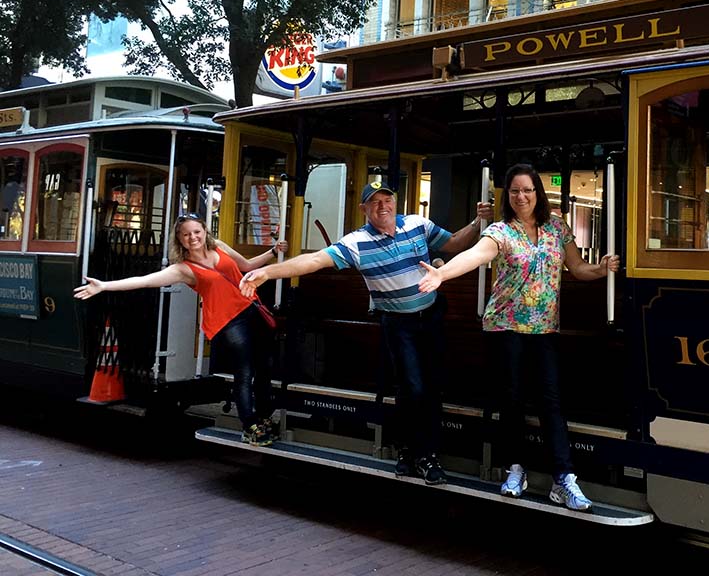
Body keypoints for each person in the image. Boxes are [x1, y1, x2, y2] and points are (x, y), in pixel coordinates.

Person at [240, 180, 492, 486]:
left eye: (387, 199)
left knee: (428, 387)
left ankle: (420, 453)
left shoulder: (416, 224)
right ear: (363, 209)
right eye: (375, 202)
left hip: (432, 317)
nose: (382, 206)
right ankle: (416, 453)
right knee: (412, 386)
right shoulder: (357, 243)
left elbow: (453, 243)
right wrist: (267, 271)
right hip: (398, 323)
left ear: (395, 203)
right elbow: (314, 260)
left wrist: (479, 223)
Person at [417, 163, 619, 511]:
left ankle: (564, 478)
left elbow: (577, 268)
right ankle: (515, 469)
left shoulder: (557, 227)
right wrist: (442, 274)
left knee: (550, 401)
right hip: (504, 327)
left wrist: (601, 269)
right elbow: (476, 255)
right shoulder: (501, 231)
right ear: (507, 196)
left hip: (544, 328)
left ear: (537, 192)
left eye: (527, 190)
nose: (521, 196)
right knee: (511, 400)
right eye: (514, 191)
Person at [74, 213, 287, 446]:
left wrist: (273, 252)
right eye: (186, 234)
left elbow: (247, 267)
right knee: (244, 373)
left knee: (265, 367)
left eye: (196, 232)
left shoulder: (220, 247)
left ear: (205, 231)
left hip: (252, 310)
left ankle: (265, 418)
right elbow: (145, 280)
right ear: (179, 239)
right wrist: (104, 286)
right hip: (228, 322)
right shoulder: (183, 269)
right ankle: (250, 426)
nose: (192, 237)